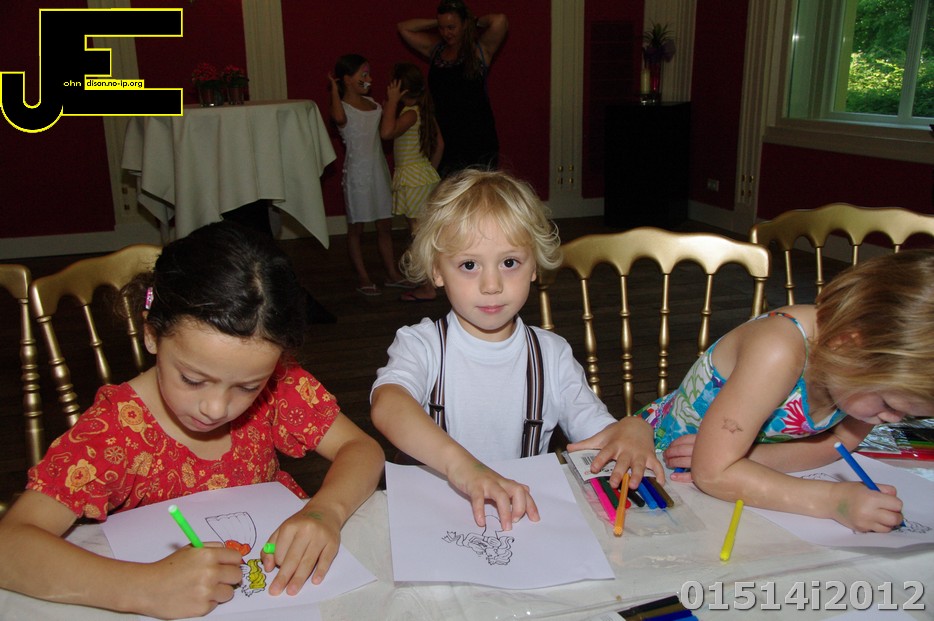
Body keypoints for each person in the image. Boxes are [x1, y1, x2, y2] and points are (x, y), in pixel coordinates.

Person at [0, 221, 385, 619]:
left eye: (247, 386)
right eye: (192, 379)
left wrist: (325, 511)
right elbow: (9, 545)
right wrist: (143, 587)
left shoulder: (277, 385)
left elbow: (361, 448)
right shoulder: (115, 431)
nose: (216, 408)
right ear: (152, 335)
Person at [370, 169, 663, 531]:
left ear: (534, 266)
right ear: (437, 271)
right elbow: (388, 406)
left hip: (520, 522)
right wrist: (463, 467)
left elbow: (600, 436)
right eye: (469, 265)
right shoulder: (422, 346)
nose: (492, 284)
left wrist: (632, 428)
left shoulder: (551, 356)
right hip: (435, 519)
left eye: (509, 263)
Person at [647, 250, 934, 533]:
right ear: (847, 345)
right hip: (658, 465)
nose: (894, 419)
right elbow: (712, 474)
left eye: (909, 414)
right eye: (889, 404)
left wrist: (746, 459)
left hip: (723, 473)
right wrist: (833, 500)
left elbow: (837, 444)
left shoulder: (858, 369)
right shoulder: (777, 350)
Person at [328, 53, 413, 296]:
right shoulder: (343, 108)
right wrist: (333, 88)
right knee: (356, 228)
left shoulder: (374, 105)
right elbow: (338, 117)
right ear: (347, 79)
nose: (369, 79)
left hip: (378, 173)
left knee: (384, 225)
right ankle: (363, 277)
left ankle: (392, 273)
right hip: (358, 175)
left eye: (369, 74)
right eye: (363, 75)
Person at [397, 1, 508, 177]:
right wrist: (437, 22)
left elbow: (500, 20)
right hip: (445, 140)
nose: (446, 33)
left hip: (478, 138)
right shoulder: (436, 50)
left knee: (478, 190)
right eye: (442, 28)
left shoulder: (480, 50)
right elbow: (403, 28)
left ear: (464, 24)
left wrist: (474, 21)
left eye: (451, 27)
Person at [379, 61, 444, 303]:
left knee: (418, 235)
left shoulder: (410, 113)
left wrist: (392, 102)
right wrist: (427, 171)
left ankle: (428, 287)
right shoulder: (421, 111)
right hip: (421, 175)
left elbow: (386, 133)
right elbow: (440, 145)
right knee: (423, 232)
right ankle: (430, 281)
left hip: (413, 178)